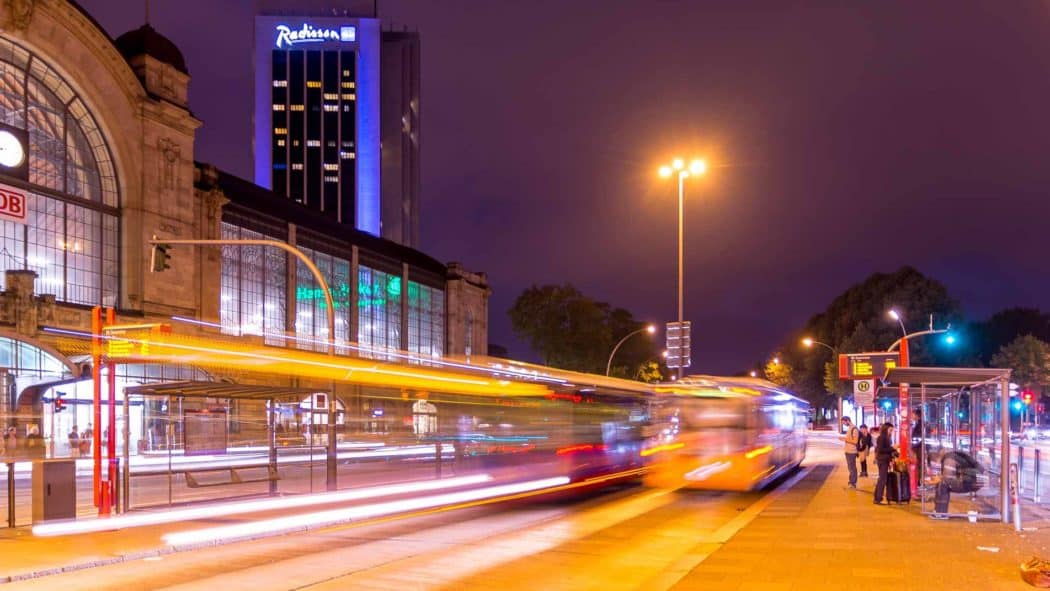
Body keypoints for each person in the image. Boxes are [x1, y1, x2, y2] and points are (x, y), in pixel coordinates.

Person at [873, 422, 898, 505]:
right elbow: (881, 450)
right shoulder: (881, 438)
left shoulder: (886, 437)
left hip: (884, 460)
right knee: (882, 479)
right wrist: (892, 448)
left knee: (882, 479)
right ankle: (878, 499)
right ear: (886, 429)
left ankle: (877, 497)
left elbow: (887, 449)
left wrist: (894, 452)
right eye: (890, 430)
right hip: (882, 460)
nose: (891, 432)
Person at [911, 408, 929, 484]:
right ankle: (920, 481)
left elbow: (918, 438)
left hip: (919, 448)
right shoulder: (920, 424)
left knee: (919, 464)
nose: (912, 416)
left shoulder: (920, 424)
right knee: (920, 464)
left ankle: (920, 481)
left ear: (917, 415)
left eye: (913, 414)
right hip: (919, 447)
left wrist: (913, 447)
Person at [841, 417, 860, 489]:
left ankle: (853, 483)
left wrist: (845, 440)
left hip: (852, 451)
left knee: (852, 468)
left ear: (848, 421)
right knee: (850, 467)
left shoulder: (854, 429)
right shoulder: (850, 428)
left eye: (844, 422)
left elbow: (855, 441)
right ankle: (851, 482)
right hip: (848, 451)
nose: (844, 424)